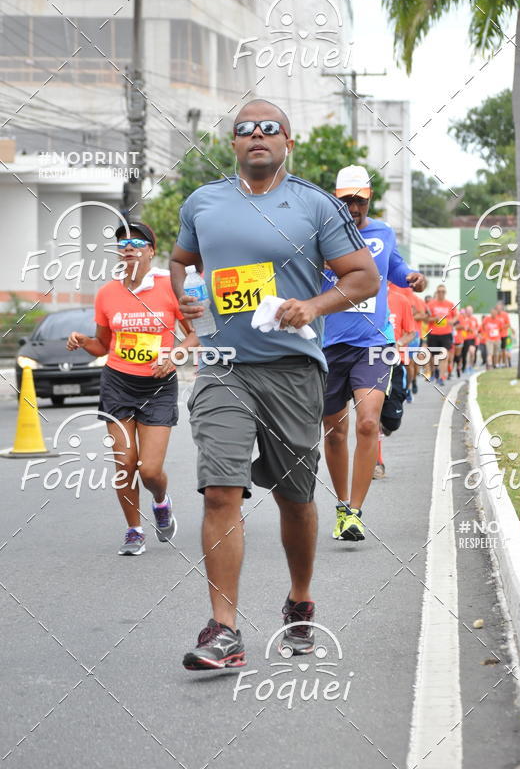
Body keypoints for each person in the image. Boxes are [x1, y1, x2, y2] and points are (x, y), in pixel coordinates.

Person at [169, 101, 380, 670]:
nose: (256, 135)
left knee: (294, 499)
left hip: (292, 369)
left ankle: (300, 598)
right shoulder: (203, 202)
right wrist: (188, 304)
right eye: (244, 129)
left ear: (288, 140)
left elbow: (363, 277)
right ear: (233, 143)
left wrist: (312, 304)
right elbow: (182, 262)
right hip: (223, 367)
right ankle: (224, 629)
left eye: (269, 129)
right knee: (220, 490)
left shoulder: (315, 205)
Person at [66, 222, 196, 556]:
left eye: (137, 242)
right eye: (123, 243)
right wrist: (82, 341)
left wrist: (175, 356)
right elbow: (102, 345)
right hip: (118, 383)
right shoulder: (107, 293)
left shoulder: (169, 287)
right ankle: (134, 529)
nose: (128, 248)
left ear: (152, 251)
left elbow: (198, 333)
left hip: (157, 385)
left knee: (149, 470)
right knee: (124, 465)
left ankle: (161, 500)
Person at [320, 165, 426, 541]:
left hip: (374, 344)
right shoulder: (320, 234)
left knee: (367, 422)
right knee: (334, 432)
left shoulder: (383, 233)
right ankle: (340, 503)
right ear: (336, 199)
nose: (352, 208)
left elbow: (394, 268)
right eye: (345, 200)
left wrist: (412, 275)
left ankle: (354, 512)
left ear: (369, 199)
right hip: (329, 345)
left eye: (359, 200)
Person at [425, 284, 457, 385]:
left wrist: (452, 321)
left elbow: (456, 316)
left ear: (445, 293)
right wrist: (434, 319)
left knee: (445, 355)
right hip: (433, 333)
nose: (441, 293)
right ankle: (435, 371)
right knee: (434, 356)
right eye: (439, 291)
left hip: (446, 333)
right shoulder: (431, 304)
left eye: (443, 291)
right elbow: (426, 319)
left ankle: (442, 377)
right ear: (436, 292)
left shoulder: (450, 304)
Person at [461, 305, 478, 373]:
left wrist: (476, 332)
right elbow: (465, 328)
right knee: (466, 353)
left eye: (471, 310)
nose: (469, 312)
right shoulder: (464, 318)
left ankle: (471, 366)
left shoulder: (474, 319)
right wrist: (470, 329)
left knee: (472, 352)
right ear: (466, 311)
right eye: (468, 311)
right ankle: (466, 367)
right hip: (466, 338)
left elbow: (477, 327)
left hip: (473, 338)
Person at [495, 300, 512, 367]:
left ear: (501, 307)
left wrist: (502, 327)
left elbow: (508, 324)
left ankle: (504, 363)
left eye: (499, 307)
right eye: (497, 307)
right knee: (498, 351)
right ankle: (497, 363)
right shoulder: (495, 314)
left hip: (504, 335)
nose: (498, 309)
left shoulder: (505, 315)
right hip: (496, 336)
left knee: (503, 350)